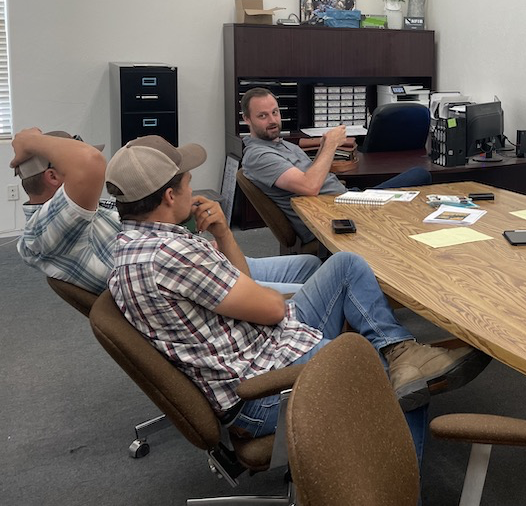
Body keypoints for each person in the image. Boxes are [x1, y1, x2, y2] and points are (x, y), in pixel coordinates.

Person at [105, 135, 488, 452]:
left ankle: (399, 347)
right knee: (403, 383)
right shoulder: (174, 255)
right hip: (263, 390)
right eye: (189, 182)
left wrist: (223, 234)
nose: (194, 187)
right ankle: (403, 488)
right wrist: (274, 300)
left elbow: (246, 288)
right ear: (170, 197)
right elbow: (270, 307)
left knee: (346, 264)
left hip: (257, 348)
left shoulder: (132, 245)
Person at [11, 128, 321, 295]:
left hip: (201, 259)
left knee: (310, 264)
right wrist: (29, 140)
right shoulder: (43, 233)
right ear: (53, 177)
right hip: (199, 275)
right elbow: (89, 162)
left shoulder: (73, 219)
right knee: (339, 283)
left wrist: (182, 220)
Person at [240, 87, 432, 246]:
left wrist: (324, 147)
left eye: (275, 112)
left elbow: (311, 174)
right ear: (247, 119)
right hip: (331, 216)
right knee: (418, 179)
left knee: (418, 177)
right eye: (263, 116)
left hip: (345, 200)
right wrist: (331, 146)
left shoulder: (281, 144)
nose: (273, 121)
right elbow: (309, 186)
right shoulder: (259, 156)